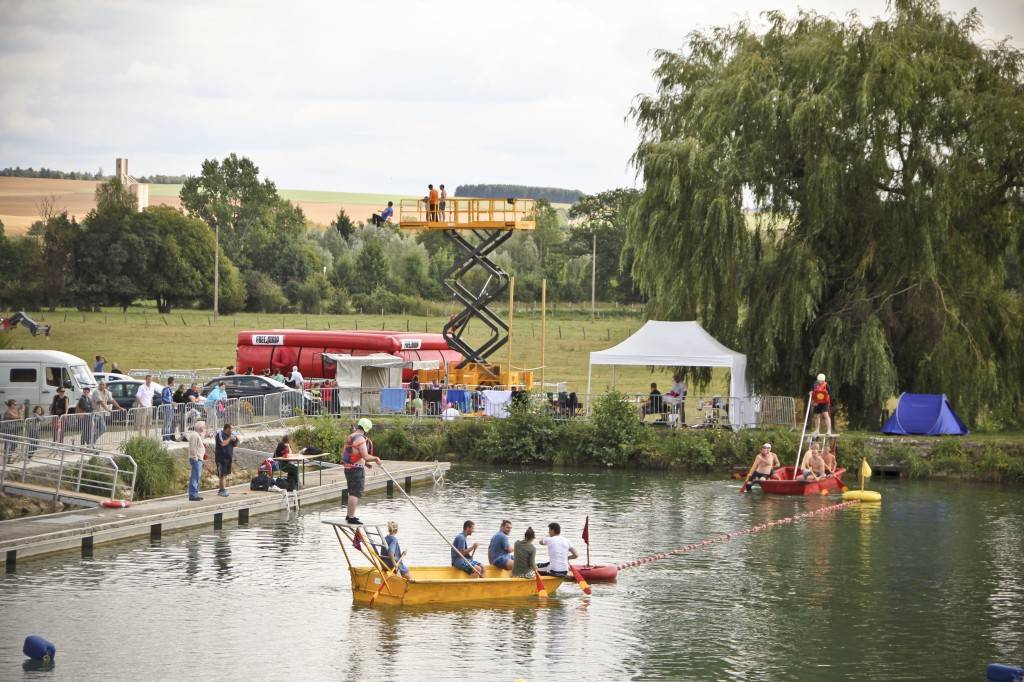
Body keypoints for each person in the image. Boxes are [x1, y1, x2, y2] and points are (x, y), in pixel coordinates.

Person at [343, 417, 382, 524]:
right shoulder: (361, 439)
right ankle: (351, 517)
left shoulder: (351, 436)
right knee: (355, 493)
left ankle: (349, 515)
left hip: (349, 468)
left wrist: (366, 464)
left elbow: (354, 454)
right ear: (366, 429)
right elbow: (365, 455)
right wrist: (375, 459)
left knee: (352, 492)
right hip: (356, 470)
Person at [215, 423, 240, 497]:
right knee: (222, 474)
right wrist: (230, 438)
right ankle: (221, 490)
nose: (232, 430)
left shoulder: (231, 435)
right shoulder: (220, 434)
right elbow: (223, 443)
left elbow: (235, 445)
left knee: (225, 474)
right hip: (221, 458)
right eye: (231, 428)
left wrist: (235, 439)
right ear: (227, 429)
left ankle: (223, 489)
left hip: (228, 458)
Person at [186, 421, 208, 501]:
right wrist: (195, 457)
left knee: (196, 476)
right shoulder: (194, 435)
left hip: (199, 458)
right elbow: (192, 448)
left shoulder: (197, 435)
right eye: (204, 426)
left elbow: (197, 446)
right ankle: (193, 494)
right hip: (196, 459)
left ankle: (195, 493)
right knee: (195, 477)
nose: (205, 428)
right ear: (200, 427)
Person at [92, 380, 119, 445]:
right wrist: (107, 409)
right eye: (100, 384)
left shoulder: (107, 392)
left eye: (103, 384)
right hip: (95, 414)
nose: (101, 385)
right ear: (98, 385)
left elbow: (112, 400)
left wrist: (119, 407)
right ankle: (92, 441)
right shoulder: (96, 392)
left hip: (101, 414)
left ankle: (92, 441)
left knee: (101, 429)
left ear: (105, 386)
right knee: (102, 428)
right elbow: (101, 402)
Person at [160, 377, 176, 442]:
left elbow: (170, 398)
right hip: (167, 408)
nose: (174, 383)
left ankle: (168, 438)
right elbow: (164, 398)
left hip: (171, 408)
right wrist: (171, 402)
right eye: (174, 382)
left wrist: (173, 403)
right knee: (166, 423)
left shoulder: (169, 389)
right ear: (171, 382)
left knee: (169, 423)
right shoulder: (165, 389)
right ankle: (164, 438)